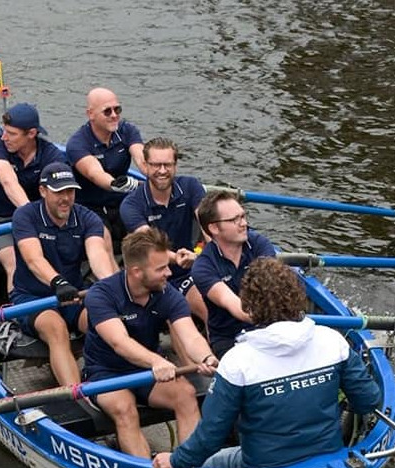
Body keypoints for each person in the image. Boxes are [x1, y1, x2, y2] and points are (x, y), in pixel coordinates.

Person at [152, 257, 381, 468]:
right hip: (328, 458)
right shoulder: (333, 341)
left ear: (249, 307)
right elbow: (369, 400)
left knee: (196, 465)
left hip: (263, 467)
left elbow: (210, 436)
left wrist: (175, 461)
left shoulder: (237, 361)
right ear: (297, 297)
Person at [82, 228, 218, 458]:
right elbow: (120, 343)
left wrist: (207, 357)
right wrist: (156, 361)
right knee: (125, 410)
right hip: (106, 374)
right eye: (161, 268)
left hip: (146, 371)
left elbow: (191, 336)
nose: (168, 272)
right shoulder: (101, 295)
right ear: (136, 271)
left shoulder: (166, 292)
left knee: (186, 393)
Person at [10, 162, 115, 387]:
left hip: (73, 295)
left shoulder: (87, 218)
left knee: (105, 322)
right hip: (33, 298)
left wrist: (108, 284)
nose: (65, 198)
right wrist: (58, 282)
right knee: (57, 330)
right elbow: (33, 259)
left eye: (70, 191)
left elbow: (97, 254)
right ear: (43, 191)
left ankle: (114, 384)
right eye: (59, 192)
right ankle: (77, 395)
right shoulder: (25, 216)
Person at [0, 103, 67, 292]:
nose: (4, 137)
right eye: (3, 130)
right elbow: (9, 182)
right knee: (15, 263)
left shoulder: (51, 155)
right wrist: (30, 216)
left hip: (36, 218)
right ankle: (19, 316)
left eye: (12, 134)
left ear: (31, 134)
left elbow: (58, 196)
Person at [119, 137, 207, 326]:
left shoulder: (191, 187)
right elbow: (150, 248)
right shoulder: (131, 205)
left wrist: (210, 255)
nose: (162, 171)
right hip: (153, 277)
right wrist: (181, 258)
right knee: (206, 307)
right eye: (156, 165)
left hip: (191, 267)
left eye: (167, 165)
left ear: (175, 165)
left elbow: (210, 226)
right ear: (145, 165)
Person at [191, 190, 276, 358]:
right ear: (214, 228)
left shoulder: (259, 244)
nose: (243, 223)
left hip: (268, 325)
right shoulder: (203, 267)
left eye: (243, 216)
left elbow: (271, 289)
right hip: (229, 337)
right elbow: (236, 306)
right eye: (234, 220)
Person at [66, 87, 145, 254]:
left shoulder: (127, 130)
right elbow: (95, 174)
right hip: (89, 206)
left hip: (122, 201)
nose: (114, 115)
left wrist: (157, 177)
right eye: (107, 112)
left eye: (117, 109)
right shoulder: (77, 143)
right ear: (90, 114)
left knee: (146, 229)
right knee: (104, 238)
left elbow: (141, 159)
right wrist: (116, 184)